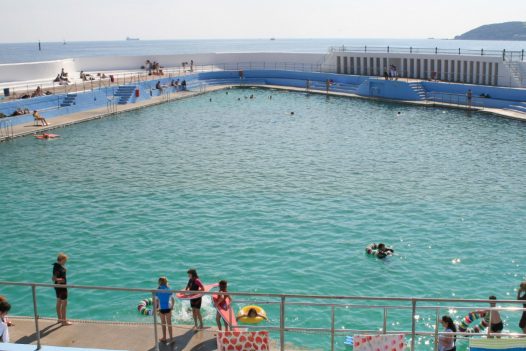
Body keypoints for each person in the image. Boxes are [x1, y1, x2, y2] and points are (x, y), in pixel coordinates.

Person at [52, 253, 71, 326]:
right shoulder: (62, 269)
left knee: (58, 302)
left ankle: (59, 319)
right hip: (62, 287)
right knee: (64, 303)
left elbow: (53, 278)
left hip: (56, 287)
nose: (65, 262)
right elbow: (62, 280)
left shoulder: (55, 266)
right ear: (62, 260)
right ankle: (64, 321)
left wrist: (56, 279)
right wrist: (63, 272)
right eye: (65, 260)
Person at [155, 277, 174, 343]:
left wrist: (156, 308)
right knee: (169, 323)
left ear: (159, 282)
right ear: (166, 282)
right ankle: (171, 338)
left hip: (161, 308)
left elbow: (157, 301)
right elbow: (172, 299)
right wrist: (172, 307)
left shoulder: (157, 290)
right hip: (168, 308)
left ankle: (164, 337)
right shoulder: (169, 289)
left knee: (163, 323)